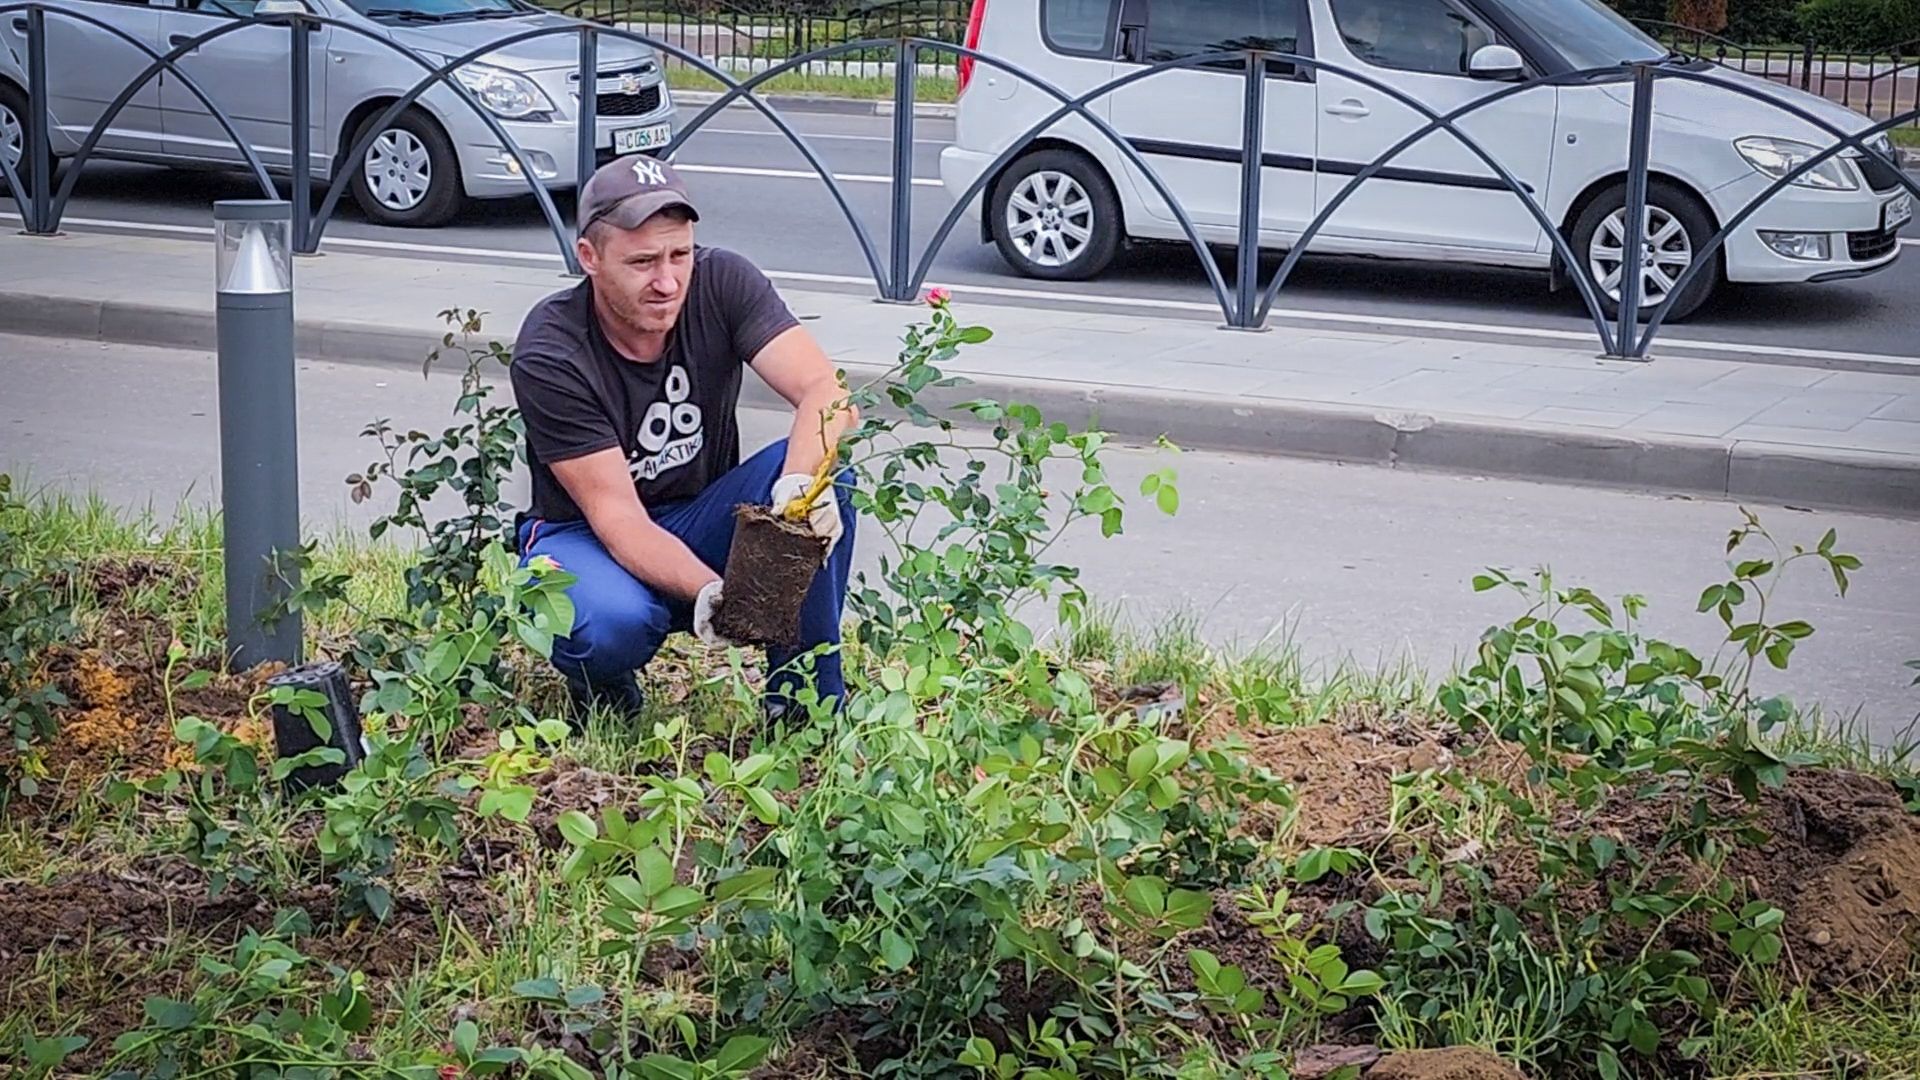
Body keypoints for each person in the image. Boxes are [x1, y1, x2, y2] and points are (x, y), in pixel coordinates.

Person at [508, 154, 857, 720]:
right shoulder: (552, 351)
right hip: (586, 537)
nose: (667, 281)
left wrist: (797, 487)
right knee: (610, 622)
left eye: (680, 254)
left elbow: (827, 392)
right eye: (642, 262)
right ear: (589, 258)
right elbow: (619, 521)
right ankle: (604, 690)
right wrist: (715, 595)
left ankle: (805, 715)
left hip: (698, 513)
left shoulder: (723, 281)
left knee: (825, 480)